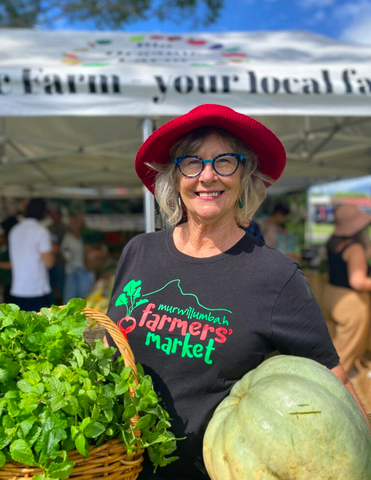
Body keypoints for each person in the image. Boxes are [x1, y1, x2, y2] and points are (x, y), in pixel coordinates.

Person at [105, 104, 370, 480]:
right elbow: (111, 344)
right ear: (175, 176)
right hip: (117, 466)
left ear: (245, 176)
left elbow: (334, 382)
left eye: (225, 162)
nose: (208, 176)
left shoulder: (275, 276)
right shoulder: (139, 251)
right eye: (192, 162)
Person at [323, 204, 371, 375]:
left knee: (331, 350)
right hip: (351, 302)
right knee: (344, 355)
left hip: (330, 296)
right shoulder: (355, 248)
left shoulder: (334, 244)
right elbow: (357, 281)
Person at [9, 198, 54, 311]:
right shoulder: (40, 231)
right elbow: (49, 262)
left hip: (18, 286)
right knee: (39, 325)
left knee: (21, 326)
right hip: (36, 287)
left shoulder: (14, 230)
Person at [61, 212, 94, 304]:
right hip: (71, 270)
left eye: (75, 222)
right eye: (71, 222)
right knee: (69, 300)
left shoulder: (86, 235)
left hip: (85, 270)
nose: (73, 224)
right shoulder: (68, 236)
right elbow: (63, 250)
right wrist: (65, 254)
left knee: (86, 299)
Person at [47, 202, 67, 305]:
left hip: (60, 262)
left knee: (60, 286)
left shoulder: (64, 227)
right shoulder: (49, 227)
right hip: (50, 261)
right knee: (51, 287)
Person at [0, 216, 18, 303]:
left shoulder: (14, 244)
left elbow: (12, 264)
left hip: (12, 281)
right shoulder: (8, 245)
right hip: (8, 281)